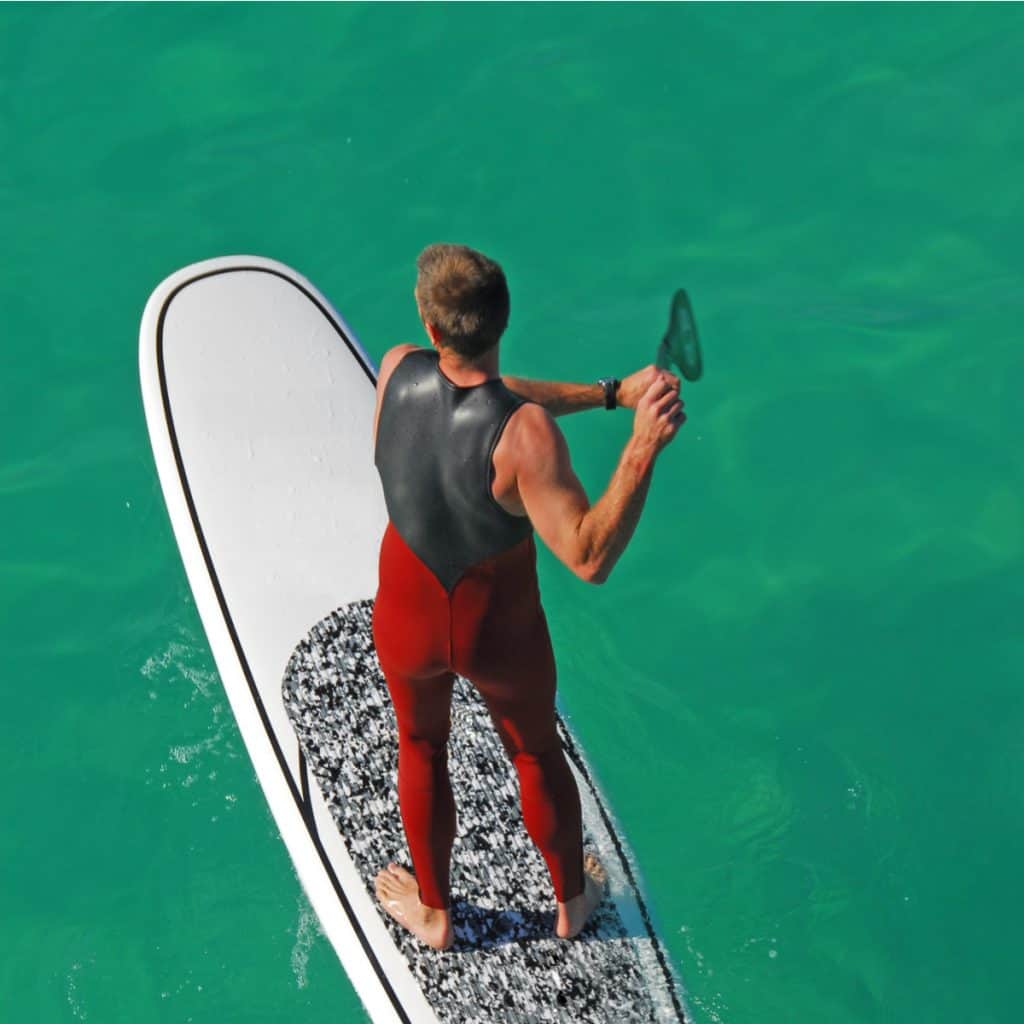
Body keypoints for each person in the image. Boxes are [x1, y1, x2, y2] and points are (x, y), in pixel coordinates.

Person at [371, 243, 685, 950]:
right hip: (494, 627)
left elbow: (484, 395)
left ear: (430, 327)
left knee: (419, 743)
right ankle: (572, 903)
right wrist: (641, 447)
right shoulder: (526, 438)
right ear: (504, 319)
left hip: (406, 610)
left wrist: (610, 392)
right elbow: (589, 556)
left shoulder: (395, 371)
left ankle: (435, 915)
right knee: (536, 752)